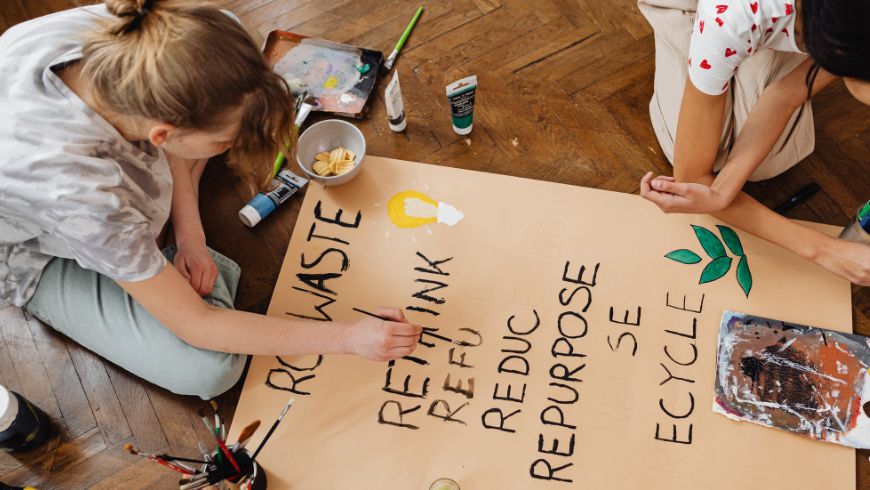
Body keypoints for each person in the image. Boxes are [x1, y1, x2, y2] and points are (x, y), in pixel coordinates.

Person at [0, 0, 422, 399]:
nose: (233, 148)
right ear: (162, 134)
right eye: (225, 141)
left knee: (222, 63)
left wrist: (191, 236)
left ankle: (160, 260)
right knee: (208, 369)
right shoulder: (83, 195)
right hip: (30, 250)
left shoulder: (146, 32)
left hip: (107, 192)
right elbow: (197, 325)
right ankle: (153, 272)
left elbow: (180, 142)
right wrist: (348, 338)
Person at [636, 0, 870, 286]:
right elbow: (693, 178)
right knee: (692, 152)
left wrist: (723, 192)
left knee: (767, 160)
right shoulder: (736, 12)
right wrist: (824, 250)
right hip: (725, 13)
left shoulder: (851, 23)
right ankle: (685, 19)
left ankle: (743, 47)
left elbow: (783, 96)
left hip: (779, 21)